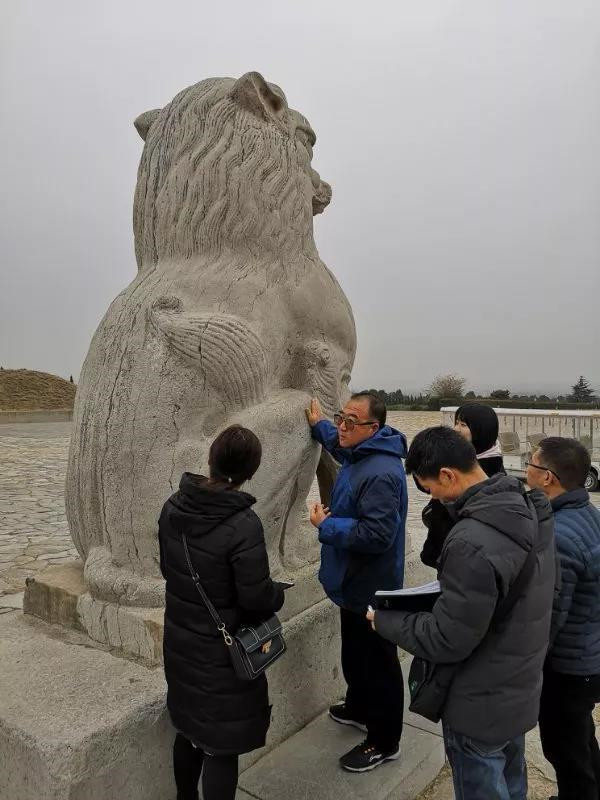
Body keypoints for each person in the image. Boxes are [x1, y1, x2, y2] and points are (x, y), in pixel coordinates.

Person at [368, 426, 555, 800]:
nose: (431, 497)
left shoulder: (470, 540)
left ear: (447, 475)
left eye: (429, 488)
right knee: (512, 780)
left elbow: (446, 639)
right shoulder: (530, 508)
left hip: (478, 701)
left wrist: (384, 620)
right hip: (518, 685)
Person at [158, 425, 285, 800]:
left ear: (211, 458)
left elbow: (169, 569)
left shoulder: (173, 506)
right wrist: (277, 593)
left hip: (182, 642)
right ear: (251, 471)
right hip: (222, 654)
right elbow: (255, 598)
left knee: (188, 730)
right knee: (219, 747)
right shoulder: (243, 524)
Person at [305, 392, 407, 772]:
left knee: (379, 662)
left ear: (373, 428)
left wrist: (327, 525)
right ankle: (360, 708)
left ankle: (384, 740)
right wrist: (320, 425)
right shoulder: (361, 451)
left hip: (372, 585)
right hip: (352, 581)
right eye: (341, 418)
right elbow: (339, 445)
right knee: (355, 652)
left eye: (351, 422)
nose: (342, 427)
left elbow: (378, 535)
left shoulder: (381, 472)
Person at [526, 437, 600, 800]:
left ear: (547, 478)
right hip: (589, 652)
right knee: (581, 738)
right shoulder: (588, 514)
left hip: (569, 666)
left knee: (564, 750)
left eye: (531, 463)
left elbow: (550, 617)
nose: (526, 469)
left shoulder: (559, 535)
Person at [420, 403, 505, 569]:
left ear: (482, 430)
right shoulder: (474, 460)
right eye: (456, 423)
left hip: (460, 560)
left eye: (463, 425)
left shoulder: (481, 471)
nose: (456, 429)